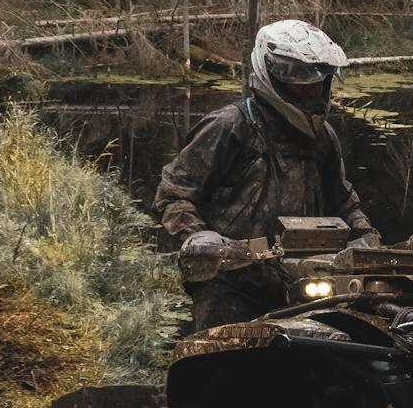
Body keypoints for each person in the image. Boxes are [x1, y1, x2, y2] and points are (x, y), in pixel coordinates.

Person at [152, 19, 379, 331]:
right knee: (220, 365)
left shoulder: (324, 137)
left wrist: (365, 238)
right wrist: (197, 236)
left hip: (307, 283)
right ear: (271, 74)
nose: (311, 88)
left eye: (318, 79)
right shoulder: (229, 126)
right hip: (231, 280)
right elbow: (174, 193)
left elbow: (344, 203)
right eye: (299, 78)